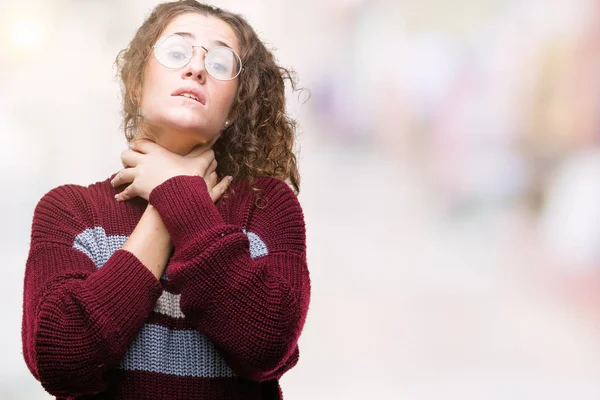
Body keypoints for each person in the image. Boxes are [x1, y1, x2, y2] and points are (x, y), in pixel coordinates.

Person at [21, 1, 310, 399]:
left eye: (221, 63)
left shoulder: (267, 206)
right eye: (177, 52)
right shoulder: (69, 211)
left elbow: (265, 343)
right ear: (137, 83)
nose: (196, 68)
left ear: (235, 106)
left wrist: (177, 195)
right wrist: (170, 201)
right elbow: (62, 360)